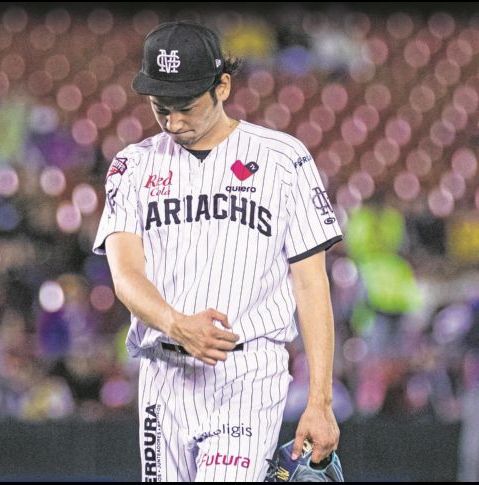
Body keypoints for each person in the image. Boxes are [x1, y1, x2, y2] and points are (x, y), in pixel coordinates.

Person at [92, 21, 343, 482]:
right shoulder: (131, 165)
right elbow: (124, 273)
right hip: (161, 374)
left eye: (185, 106)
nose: (173, 122)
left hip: (247, 372)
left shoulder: (284, 159)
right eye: (160, 108)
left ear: (222, 86)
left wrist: (320, 400)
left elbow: (311, 282)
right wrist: (175, 324)